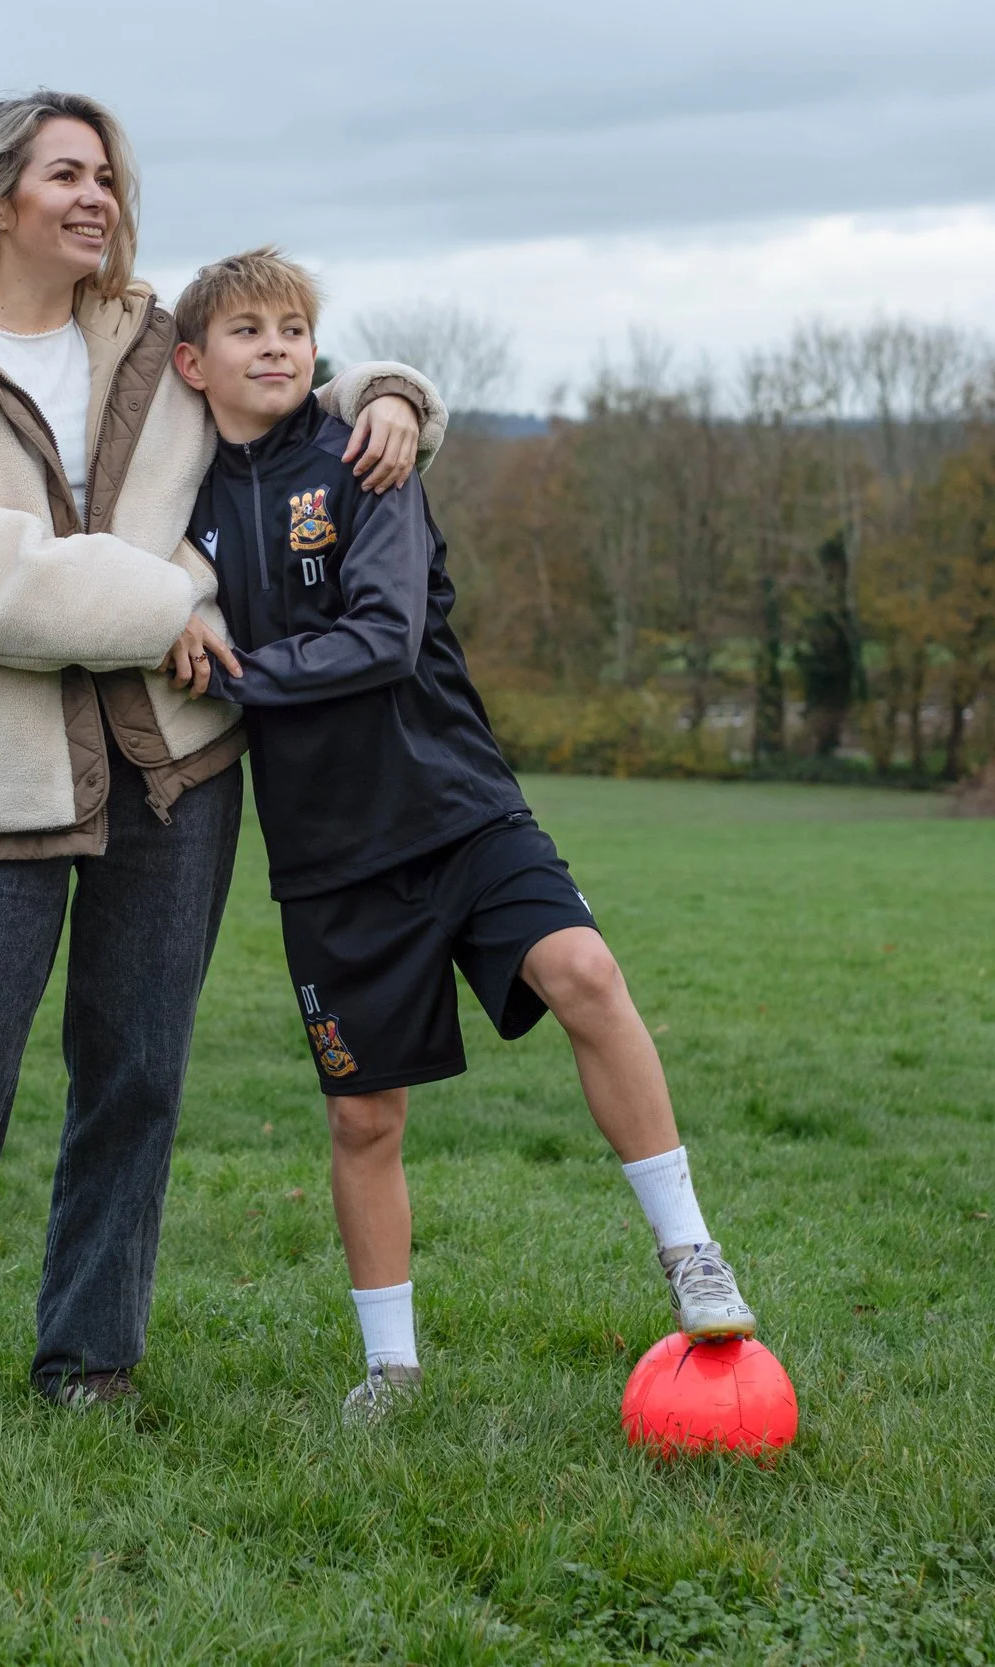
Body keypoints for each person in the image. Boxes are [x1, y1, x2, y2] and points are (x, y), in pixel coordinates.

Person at [0, 95, 443, 1421]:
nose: (97, 195)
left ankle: (88, 1358)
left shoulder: (160, 344)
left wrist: (393, 391)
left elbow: (286, 387)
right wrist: (172, 604)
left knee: (136, 1075)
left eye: (108, 175)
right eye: (66, 174)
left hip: (178, 768)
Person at [170, 249, 758, 1424]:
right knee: (362, 1115)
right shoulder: (177, 508)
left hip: (456, 806)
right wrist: (174, 607)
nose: (277, 346)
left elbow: (383, 636)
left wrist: (235, 666)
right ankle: (390, 1368)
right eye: (246, 330)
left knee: (584, 969)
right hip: (328, 855)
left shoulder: (366, 458)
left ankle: (691, 1252)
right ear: (193, 363)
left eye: (294, 326)